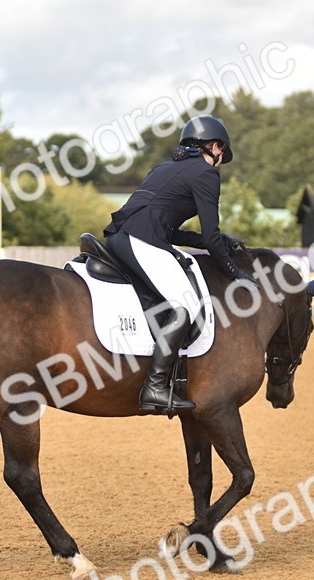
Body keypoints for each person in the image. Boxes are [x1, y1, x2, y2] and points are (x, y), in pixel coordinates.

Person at [103, 115, 253, 414]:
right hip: (141, 241)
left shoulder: (165, 167)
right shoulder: (205, 174)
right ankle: (155, 389)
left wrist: (220, 240)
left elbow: (171, 231)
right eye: (222, 155)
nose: (220, 161)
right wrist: (236, 273)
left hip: (119, 238)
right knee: (185, 306)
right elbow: (208, 237)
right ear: (215, 147)